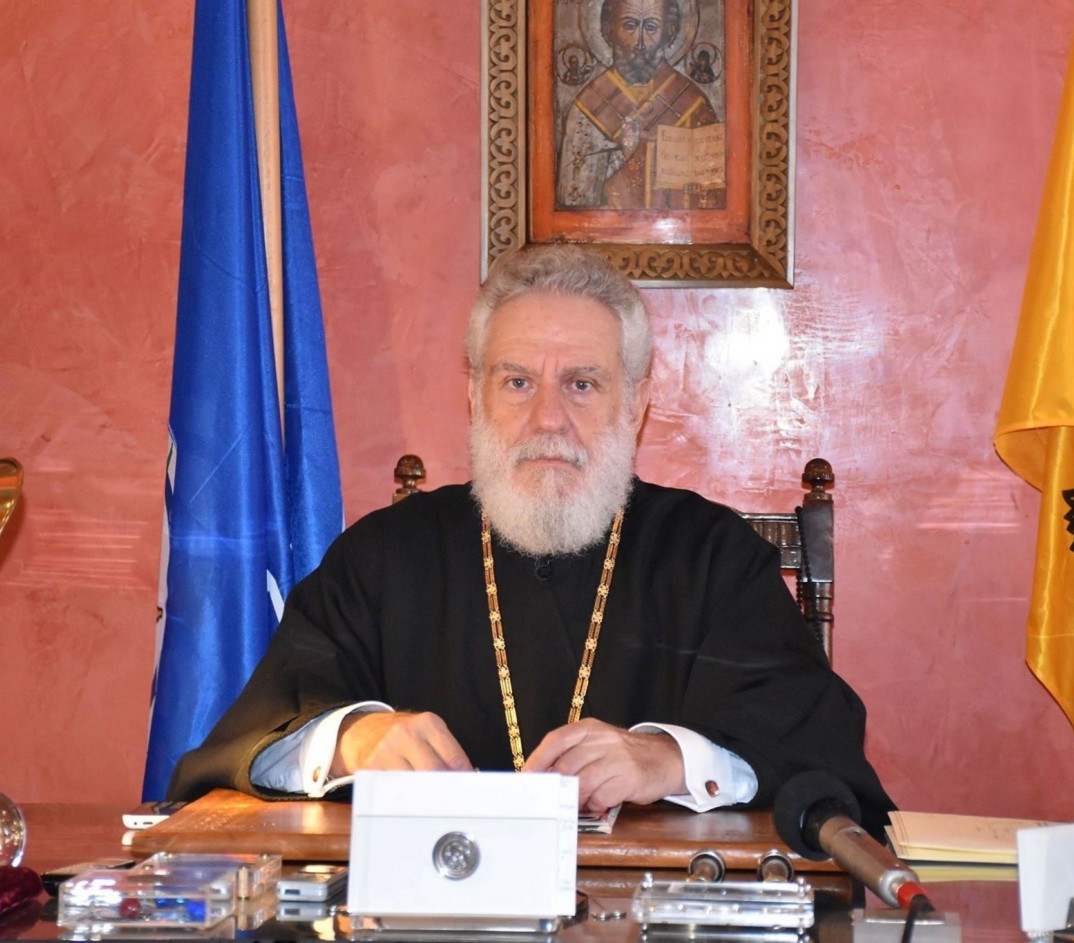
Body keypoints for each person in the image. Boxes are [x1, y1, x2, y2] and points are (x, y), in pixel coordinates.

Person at [167, 244, 893, 834]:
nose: (548, 418)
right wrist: (351, 740)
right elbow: (257, 734)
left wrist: (667, 758)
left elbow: (815, 734)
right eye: (517, 382)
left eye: (582, 384)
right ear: (474, 393)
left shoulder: (713, 557)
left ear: (636, 403)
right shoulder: (384, 556)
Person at [556, 0, 726, 210]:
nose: (641, 43)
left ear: (670, 32)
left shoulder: (694, 105)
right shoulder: (587, 108)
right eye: (630, 26)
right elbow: (573, 199)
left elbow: (712, 195)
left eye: (651, 27)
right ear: (608, 30)